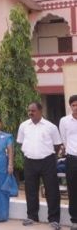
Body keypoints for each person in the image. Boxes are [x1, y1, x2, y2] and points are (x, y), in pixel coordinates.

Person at [17, 102, 62, 229]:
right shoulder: (24, 126)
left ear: (40, 111)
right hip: (29, 161)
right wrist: (30, 151)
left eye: (33, 110)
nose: (30, 113)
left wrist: (48, 155)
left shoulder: (50, 126)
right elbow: (21, 143)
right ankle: (32, 216)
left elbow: (57, 144)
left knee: (52, 190)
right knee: (30, 190)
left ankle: (54, 219)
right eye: (29, 111)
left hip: (47, 162)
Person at [59, 95, 77, 230]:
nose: (76, 108)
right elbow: (64, 139)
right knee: (73, 190)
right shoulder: (64, 121)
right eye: (74, 105)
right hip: (72, 159)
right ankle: (75, 220)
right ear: (70, 106)